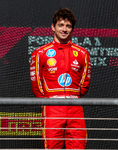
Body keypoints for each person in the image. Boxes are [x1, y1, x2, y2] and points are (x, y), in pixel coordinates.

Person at [30, 8, 91, 149]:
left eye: (68, 26)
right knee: (52, 146)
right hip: (52, 106)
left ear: (72, 29)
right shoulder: (40, 53)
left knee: (78, 146)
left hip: (75, 107)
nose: (64, 29)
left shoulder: (82, 53)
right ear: (53, 27)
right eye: (61, 25)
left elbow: (84, 83)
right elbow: (36, 85)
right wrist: (48, 102)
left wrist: (73, 97)